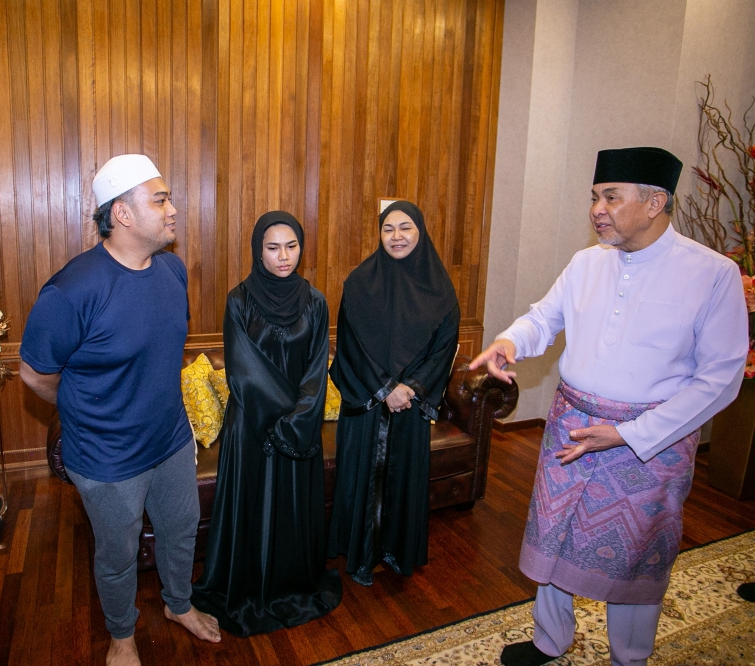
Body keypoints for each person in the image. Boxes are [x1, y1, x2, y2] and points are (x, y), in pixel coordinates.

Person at [470, 147, 749, 666]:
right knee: (555, 539)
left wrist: (629, 435)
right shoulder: (586, 262)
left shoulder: (711, 275)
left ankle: (630, 657)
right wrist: (510, 341)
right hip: (571, 427)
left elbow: (720, 379)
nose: (597, 208)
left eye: (611, 197)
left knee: (636, 556)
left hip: (649, 445)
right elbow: (544, 319)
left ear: (654, 203)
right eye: (595, 197)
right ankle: (550, 641)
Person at [19, 154, 221, 666]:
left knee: (180, 531)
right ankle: (122, 636)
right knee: (117, 554)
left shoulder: (172, 270)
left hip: (172, 440)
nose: (173, 209)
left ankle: (179, 605)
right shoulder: (72, 290)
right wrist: (87, 414)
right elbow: (35, 374)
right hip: (106, 458)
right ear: (123, 214)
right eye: (161, 199)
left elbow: (162, 352)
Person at [191, 212, 343, 635]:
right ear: (259, 250)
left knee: (293, 512)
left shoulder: (315, 301)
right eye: (273, 247)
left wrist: (299, 419)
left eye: (291, 246)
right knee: (253, 509)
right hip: (252, 431)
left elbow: (316, 370)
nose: (283, 257)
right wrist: (285, 417)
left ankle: (292, 584)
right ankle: (249, 588)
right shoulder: (239, 300)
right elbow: (243, 370)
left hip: (299, 429)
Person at [328, 200, 460, 586]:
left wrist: (411, 388)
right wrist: (385, 389)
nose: (397, 236)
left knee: (403, 478)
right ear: (380, 234)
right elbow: (350, 346)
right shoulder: (358, 283)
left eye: (405, 228)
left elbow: (443, 347)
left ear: (420, 232)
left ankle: (397, 552)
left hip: (411, 408)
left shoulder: (441, 289)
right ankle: (362, 556)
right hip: (367, 404)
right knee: (362, 480)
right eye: (388, 229)